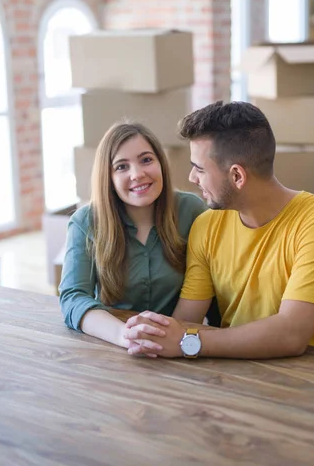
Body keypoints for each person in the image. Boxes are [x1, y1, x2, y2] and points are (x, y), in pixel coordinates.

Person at [124, 101, 314, 360]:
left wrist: (191, 342)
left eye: (199, 168)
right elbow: (185, 321)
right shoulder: (207, 226)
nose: (192, 178)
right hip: (235, 373)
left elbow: (291, 335)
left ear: (237, 176)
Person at [59, 121, 205, 352]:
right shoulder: (85, 222)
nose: (137, 174)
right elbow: (73, 297)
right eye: (121, 167)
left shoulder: (192, 210)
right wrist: (124, 336)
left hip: (180, 344)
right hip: (114, 347)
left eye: (146, 160)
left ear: (161, 163)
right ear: (108, 177)